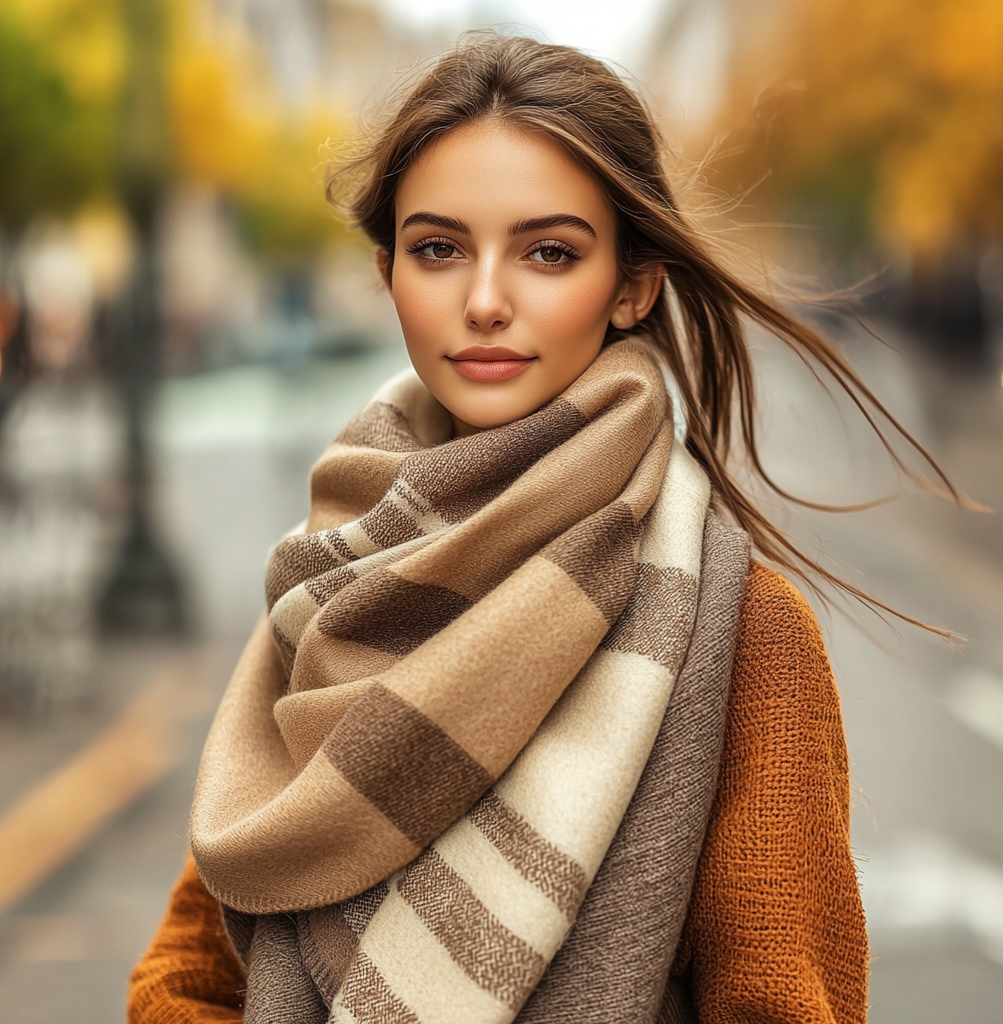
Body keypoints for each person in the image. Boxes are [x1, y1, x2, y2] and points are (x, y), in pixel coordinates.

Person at [127, 33, 951, 1024]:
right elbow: (186, 979)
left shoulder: (744, 637)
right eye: (438, 249)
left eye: (548, 252)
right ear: (389, 272)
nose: (483, 301)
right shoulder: (333, 583)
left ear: (633, 286)